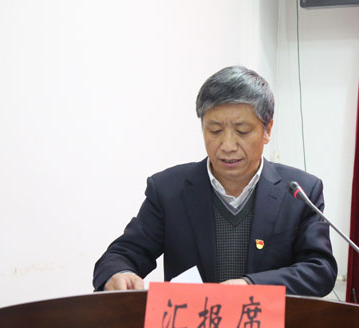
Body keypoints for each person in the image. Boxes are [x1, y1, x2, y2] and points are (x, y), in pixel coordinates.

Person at [93, 66, 337, 296]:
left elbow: (320, 270)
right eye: (215, 130)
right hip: (192, 325)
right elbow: (123, 253)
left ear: (267, 130)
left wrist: (252, 286)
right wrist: (119, 272)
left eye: (242, 131)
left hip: (267, 325)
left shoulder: (300, 192)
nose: (227, 145)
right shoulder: (169, 190)